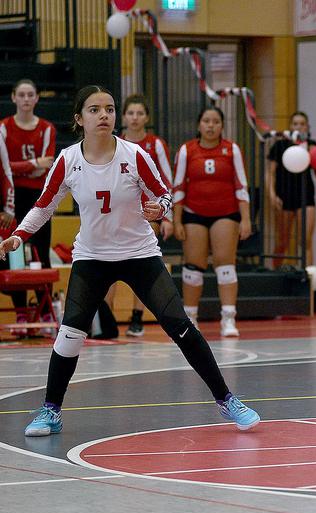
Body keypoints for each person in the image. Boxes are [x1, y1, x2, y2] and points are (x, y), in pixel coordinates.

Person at [0, 85, 259, 436]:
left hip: (139, 254)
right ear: (79, 119)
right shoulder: (68, 161)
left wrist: (160, 208)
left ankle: (227, 400)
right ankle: (51, 410)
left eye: (109, 108)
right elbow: (44, 206)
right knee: (70, 334)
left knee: (181, 326)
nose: (104, 115)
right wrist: (19, 235)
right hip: (92, 257)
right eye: (94, 110)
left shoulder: (134, 155)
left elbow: (164, 194)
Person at [173, 107, 252, 337]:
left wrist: (245, 219)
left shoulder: (231, 149)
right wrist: (176, 220)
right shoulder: (187, 150)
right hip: (193, 213)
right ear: (199, 125)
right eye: (206, 121)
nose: (210, 125)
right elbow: (179, 186)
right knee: (193, 267)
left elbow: (241, 185)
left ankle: (228, 318)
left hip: (225, 213)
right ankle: (190, 319)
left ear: (222, 125)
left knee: (225, 264)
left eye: (215, 121)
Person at [108, 93, 174, 338]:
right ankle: (107, 318)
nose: (135, 118)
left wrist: (168, 216)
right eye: (130, 113)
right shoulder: (115, 143)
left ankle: (137, 316)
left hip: (149, 213)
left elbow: (167, 181)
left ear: (146, 117)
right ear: (123, 116)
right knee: (109, 263)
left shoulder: (155, 144)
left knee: (141, 263)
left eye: (139, 113)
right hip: (118, 213)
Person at [1, 79, 57, 332]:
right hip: (12, 198)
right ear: (13, 97)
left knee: (41, 252)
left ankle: (45, 314)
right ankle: (22, 314)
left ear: (36, 99)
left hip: (39, 199)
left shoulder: (46, 128)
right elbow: (4, 168)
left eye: (30, 94)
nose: (25, 99)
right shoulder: (3, 128)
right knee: (15, 255)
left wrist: (24, 167)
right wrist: (33, 164)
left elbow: (45, 168)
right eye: (21, 94)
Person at [267, 112, 316, 268]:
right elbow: (270, 173)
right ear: (290, 127)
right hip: (284, 195)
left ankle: (308, 279)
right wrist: (271, 194)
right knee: (282, 240)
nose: (299, 127)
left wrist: (314, 154)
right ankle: (275, 275)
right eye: (295, 124)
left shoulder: (312, 145)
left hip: (306, 196)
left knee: (306, 241)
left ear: (307, 127)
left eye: (302, 124)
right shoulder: (280, 145)